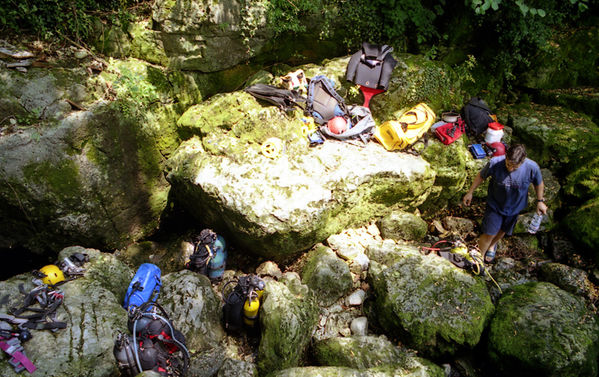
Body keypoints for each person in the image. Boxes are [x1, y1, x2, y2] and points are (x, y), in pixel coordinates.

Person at [462, 144, 548, 262]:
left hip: (515, 207)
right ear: (506, 156)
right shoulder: (495, 163)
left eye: (514, 167)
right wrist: (470, 192)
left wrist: (540, 201)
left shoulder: (532, 167)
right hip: (495, 205)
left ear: (522, 161)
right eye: (508, 164)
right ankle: (478, 258)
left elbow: (539, 183)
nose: (510, 169)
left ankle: (492, 245)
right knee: (489, 233)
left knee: (502, 230)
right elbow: (481, 176)